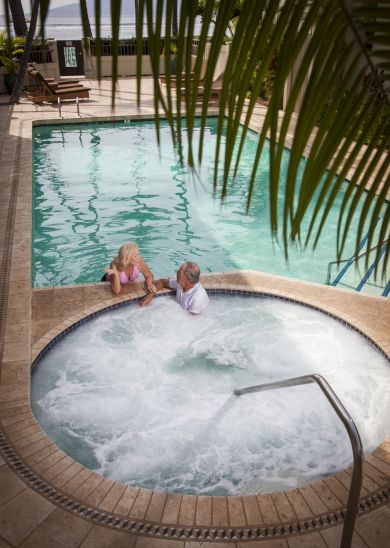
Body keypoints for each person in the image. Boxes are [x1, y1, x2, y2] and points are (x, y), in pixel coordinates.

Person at [140, 261, 209, 314]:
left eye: (180, 272)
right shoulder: (181, 284)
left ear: (187, 278)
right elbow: (162, 282)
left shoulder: (197, 298)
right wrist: (150, 294)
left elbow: (192, 322)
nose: (177, 272)